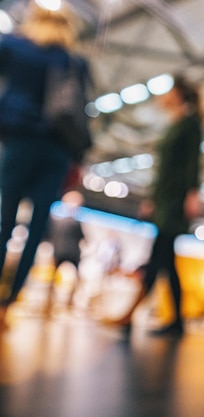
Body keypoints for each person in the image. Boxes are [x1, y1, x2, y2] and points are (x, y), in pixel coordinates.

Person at [0, 2, 91, 331]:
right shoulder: (74, 61)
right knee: (37, 229)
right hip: (56, 151)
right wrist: (78, 159)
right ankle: (6, 307)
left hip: (19, 142)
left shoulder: (14, 47)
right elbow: (82, 111)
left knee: (5, 222)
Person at [103, 75, 204, 336]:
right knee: (166, 260)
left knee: (160, 256)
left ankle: (132, 313)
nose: (163, 97)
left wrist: (193, 192)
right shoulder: (176, 124)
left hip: (176, 199)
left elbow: (193, 160)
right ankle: (175, 321)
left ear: (179, 94)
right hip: (165, 198)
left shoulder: (190, 123)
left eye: (169, 91)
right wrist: (152, 199)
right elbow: (164, 169)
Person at [44, 190, 85, 316]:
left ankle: (53, 303)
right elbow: (82, 238)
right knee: (68, 279)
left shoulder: (58, 221)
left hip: (63, 252)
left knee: (57, 279)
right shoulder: (73, 222)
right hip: (68, 253)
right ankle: (60, 303)